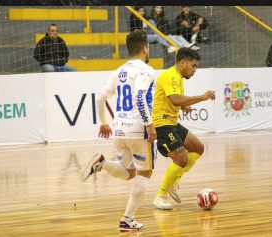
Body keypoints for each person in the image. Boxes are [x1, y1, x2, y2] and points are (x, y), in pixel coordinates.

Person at [81, 30, 157, 232]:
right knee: (145, 172)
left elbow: (100, 98)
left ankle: (102, 163)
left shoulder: (119, 71)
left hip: (118, 128)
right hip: (138, 128)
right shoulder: (146, 70)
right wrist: (149, 125)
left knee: (129, 172)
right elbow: (140, 98)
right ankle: (127, 219)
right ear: (145, 48)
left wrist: (104, 123)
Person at [151, 47, 216, 210]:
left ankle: (174, 181)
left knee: (198, 148)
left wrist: (184, 106)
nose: (195, 70)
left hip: (172, 122)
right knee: (182, 158)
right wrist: (201, 97)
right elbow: (174, 99)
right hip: (162, 124)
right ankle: (160, 196)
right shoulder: (170, 76)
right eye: (193, 66)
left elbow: (174, 100)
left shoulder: (176, 77)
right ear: (182, 62)